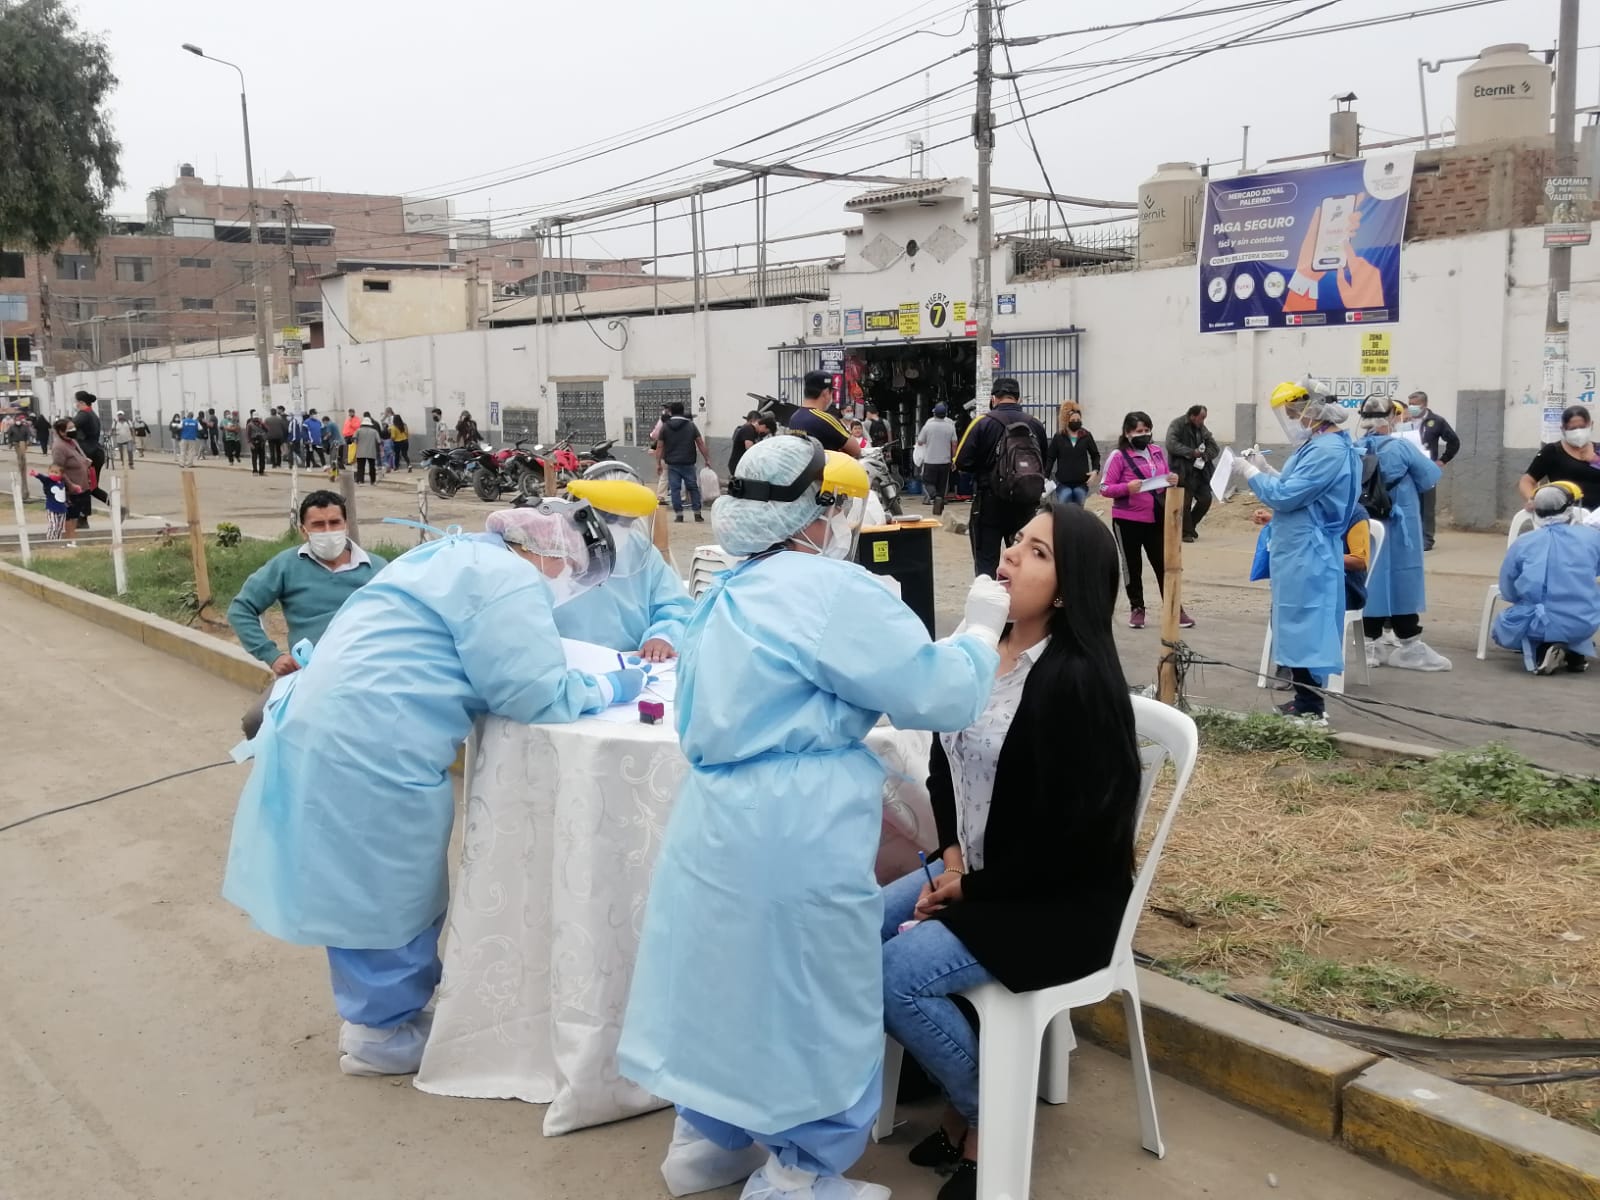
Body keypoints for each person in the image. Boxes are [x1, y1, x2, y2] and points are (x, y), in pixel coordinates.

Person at [617, 436, 1007, 1200]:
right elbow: (939, 695)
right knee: (812, 992)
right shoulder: (832, 592)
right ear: (817, 512)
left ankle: (710, 1140)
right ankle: (800, 1170)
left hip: (715, 822)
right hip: (795, 826)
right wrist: (981, 633)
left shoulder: (728, 588)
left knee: (722, 982)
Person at [222, 501, 643, 1077]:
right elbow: (531, 692)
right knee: (386, 885)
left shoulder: (453, 555)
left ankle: (379, 1017)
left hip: (332, 725)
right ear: (552, 554)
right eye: (577, 576)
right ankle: (379, 1032)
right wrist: (610, 686)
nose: (572, 589)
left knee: (361, 879)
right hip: (371, 744)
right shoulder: (508, 579)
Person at [881, 504, 1141, 1200]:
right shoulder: (977, 651)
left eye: (1039, 552)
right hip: (981, 875)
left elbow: (1078, 844)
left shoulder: (1076, 683)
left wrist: (970, 891)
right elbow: (943, 766)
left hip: (1054, 901)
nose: (1013, 556)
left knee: (893, 974)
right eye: (1017, 542)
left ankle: (987, 1117)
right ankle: (958, 1089)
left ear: (1065, 588)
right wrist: (953, 864)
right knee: (852, 923)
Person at [1236, 381, 1362, 726]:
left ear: (1312, 410)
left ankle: (1310, 705)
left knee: (1305, 623)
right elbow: (1301, 488)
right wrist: (1267, 469)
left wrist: (1250, 474)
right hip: (1301, 548)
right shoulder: (1322, 446)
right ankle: (1304, 699)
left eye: (1294, 413)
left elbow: (1287, 497)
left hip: (1308, 550)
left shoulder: (1327, 450)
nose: (1293, 420)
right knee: (1296, 622)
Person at [228, 490, 390, 678]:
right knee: (260, 709)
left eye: (335, 522)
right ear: (304, 531)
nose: (328, 531)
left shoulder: (378, 568)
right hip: (309, 675)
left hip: (369, 672)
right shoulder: (286, 565)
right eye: (319, 525)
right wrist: (272, 656)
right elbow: (241, 609)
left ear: (345, 525)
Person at [560, 463, 694, 662]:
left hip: (631, 662)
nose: (613, 526)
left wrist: (662, 637)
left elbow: (676, 606)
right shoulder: (552, 546)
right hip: (565, 663)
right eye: (604, 515)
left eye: (625, 519)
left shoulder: (640, 550)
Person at [1356, 398, 1449, 671]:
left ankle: (1370, 645)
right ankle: (1409, 643)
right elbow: (1429, 476)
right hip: (1400, 524)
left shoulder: (1354, 447)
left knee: (1370, 579)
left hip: (1367, 523)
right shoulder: (1401, 447)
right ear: (1392, 418)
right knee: (1403, 579)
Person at [1493, 481, 1600, 674]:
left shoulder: (1523, 542)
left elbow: (1507, 588)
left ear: (1536, 511)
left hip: (1539, 622)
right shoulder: (1593, 537)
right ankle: (1575, 653)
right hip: (1586, 620)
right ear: (1570, 509)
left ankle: (1544, 649)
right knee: (1574, 612)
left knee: (1508, 623)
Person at [1099, 411, 1190, 631]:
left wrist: (1173, 479)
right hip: (1127, 519)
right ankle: (1137, 608)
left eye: (1147, 430)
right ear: (1128, 433)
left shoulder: (1157, 452)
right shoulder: (1119, 456)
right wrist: (1126, 488)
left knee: (1164, 564)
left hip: (1156, 518)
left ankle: (1174, 608)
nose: (1144, 434)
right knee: (1132, 566)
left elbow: (1165, 477)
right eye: (1139, 431)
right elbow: (1104, 488)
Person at [953, 378, 1048, 579]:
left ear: (993, 398)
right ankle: (1021, 607)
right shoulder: (1035, 424)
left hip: (989, 503)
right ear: (1018, 398)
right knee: (1023, 563)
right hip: (1025, 504)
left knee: (986, 564)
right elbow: (1044, 464)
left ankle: (990, 605)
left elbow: (961, 461)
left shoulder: (982, 422)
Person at [1519, 404, 1599, 511]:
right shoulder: (1552, 451)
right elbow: (1527, 481)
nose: (1578, 432)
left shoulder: (1598, 450)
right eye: (1573, 429)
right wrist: (1532, 499)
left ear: (1591, 425)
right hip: (1564, 515)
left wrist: (1595, 460)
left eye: (1582, 427)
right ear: (1563, 429)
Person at [1405, 390, 1459, 550]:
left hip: (1427, 468)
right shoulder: (1404, 420)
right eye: (1410, 404)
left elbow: (1454, 441)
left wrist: (1443, 460)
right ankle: (1410, 537)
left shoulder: (1436, 421)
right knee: (1409, 503)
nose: (1412, 408)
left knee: (1427, 505)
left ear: (1424, 404)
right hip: (1408, 468)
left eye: (1415, 405)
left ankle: (1427, 539)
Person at [1165, 404, 1221, 543]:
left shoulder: (1202, 429)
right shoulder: (1177, 425)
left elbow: (1214, 447)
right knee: (1185, 503)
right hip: (1182, 471)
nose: (1203, 422)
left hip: (1200, 472)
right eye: (1201, 418)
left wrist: (1206, 455)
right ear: (1192, 416)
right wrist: (1191, 452)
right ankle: (1185, 532)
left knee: (1205, 499)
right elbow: (1171, 445)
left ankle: (1190, 526)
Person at [655, 399, 712, 523]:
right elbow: (700, 443)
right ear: (682, 411)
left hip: (672, 463)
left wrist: (658, 463)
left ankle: (679, 515)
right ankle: (697, 514)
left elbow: (659, 446)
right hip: (688, 462)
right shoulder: (691, 425)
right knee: (692, 487)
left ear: (671, 412)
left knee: (675, 489)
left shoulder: (665, 427)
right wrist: (707, 459)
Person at [788, 371, 861, 459]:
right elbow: (856, 450)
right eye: (831, 393)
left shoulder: (795, 417)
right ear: (826, 393)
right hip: (825, 471)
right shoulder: (825, 419)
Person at [1045, 403, 1100, 507]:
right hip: (1063, 484)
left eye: (1078, 420)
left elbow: (1095, 455)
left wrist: (1095, 471)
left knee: (1079, 512)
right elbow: (1050, 458)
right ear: (1066, 421)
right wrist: (1045, 477)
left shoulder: (1086, 435)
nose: (1076, 423)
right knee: (1065, 511)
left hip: (1081, 484)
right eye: (1073, 421)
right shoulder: (1058, 437)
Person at [49, 418, 92, 545]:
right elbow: (58, 469)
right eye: (70, 428)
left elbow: (79, 456)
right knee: (70, 515)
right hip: (70, 488)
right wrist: (70, 484)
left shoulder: (72, 441)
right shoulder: (59, 447)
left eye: (74, 427)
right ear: (62, 432)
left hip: (81, 485)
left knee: (75, 515)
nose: (74, 430)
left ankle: (73, 540)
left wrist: (85, 461)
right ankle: (70, 540)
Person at [916, 402, 958, 516]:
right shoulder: (950, 426)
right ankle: (938, 509)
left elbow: (920, 441)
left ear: (934, 413)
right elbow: (954, 444)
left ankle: (934, 497)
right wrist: (954, 458)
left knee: (927, 481)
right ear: (945, 414)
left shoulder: (928, 426)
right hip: (945, 461)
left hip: (931, 460)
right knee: (942, 486)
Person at [31, 462, 76, 541]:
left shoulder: (61, 483)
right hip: (52, 508)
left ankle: (57, 541)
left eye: (56, 472)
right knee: (54, 525)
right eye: (52, 472)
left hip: (62, 509)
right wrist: (36, 474)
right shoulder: (48, 481)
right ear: (48, 472)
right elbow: (42, 478)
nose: (54, 474)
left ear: (61, 475)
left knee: (60, 527)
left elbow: (63, 495)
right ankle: (50, 540)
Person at [6, 411, 31, 499]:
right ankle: (21, 463)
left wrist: (28, 440)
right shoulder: (12, 427)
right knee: (20, 457)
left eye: (19, 420)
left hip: (23, 443)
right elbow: (9, 435)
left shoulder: (25, 427)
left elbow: (28, 434)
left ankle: (22, 463)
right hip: (16, 443)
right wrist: (9, 443)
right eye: (17, 420)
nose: (18, 421)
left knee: (23, 457)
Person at [352, 414, 380, 484]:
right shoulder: (374, 431)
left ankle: (361, 480)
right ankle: (372, 481)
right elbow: (379, 441)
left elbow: (354, 439)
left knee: (361, 467)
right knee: (372, 467)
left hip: (360, 451)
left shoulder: (358, 431)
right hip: (371, 451)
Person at [246, 411, 268, 475]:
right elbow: (248, 435)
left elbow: (267, 430)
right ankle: (255, 471)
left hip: (261, 442)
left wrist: (262, 423)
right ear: (253, 418)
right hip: (254, 442)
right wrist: (250, 443)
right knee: (254, 457)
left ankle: (261, 471)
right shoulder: (250, 425)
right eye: (255, 418)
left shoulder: (261, 424)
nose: (256, 419)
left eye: (257, 418)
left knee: (262, 457)